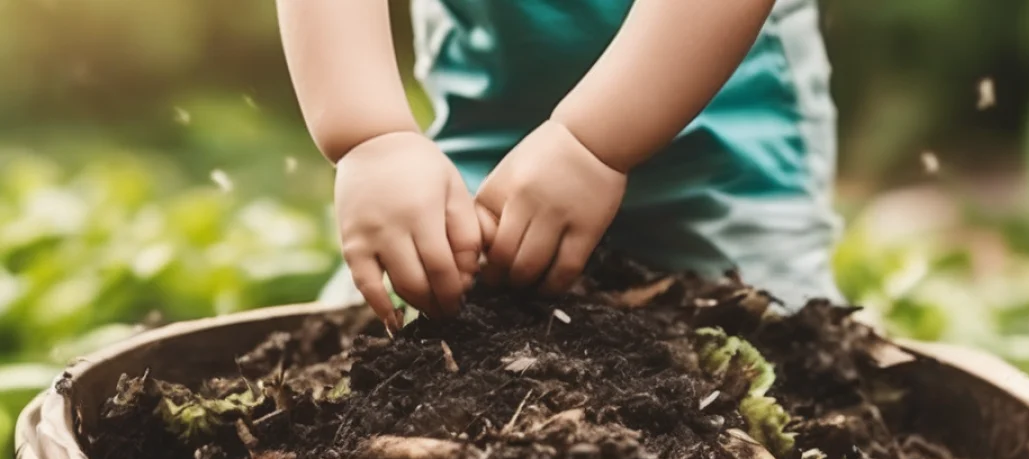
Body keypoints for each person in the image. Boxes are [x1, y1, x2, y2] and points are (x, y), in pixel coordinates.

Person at [276, 0, 841, 331]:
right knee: (362, 349)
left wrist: (592, 143)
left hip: (725, 164)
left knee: (789, 361)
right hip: (483, 154)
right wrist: (372, 138)